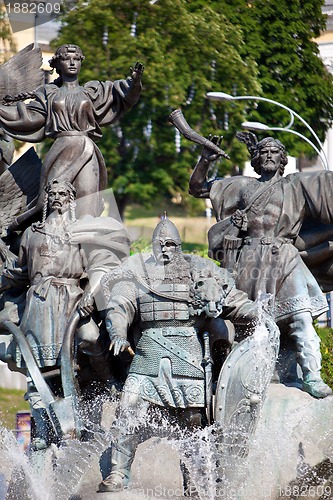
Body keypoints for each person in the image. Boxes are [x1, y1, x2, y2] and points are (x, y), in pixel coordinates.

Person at [97, 216, 276, 493]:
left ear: (179, 246)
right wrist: (118, 334)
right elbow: (119, 306)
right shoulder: (136, 274)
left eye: (170, 244)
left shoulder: (200, 273)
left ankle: (195, 480)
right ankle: (118, 473)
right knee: (127, 410)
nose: (164, 250)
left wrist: (259, 315)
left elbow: (234, 302)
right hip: (149, 353)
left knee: (193, 426)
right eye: (159, 244)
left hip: (189, 356)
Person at [189, 133, 333, 399]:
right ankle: (243, 380)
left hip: (285, 256)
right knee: (251, 324)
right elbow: (197, 188)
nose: (268, 155)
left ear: (282, 160)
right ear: (256, 159)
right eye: (263, 151)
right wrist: (205, 159)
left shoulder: (296, 185)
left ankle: (312, 375)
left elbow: (329, 189)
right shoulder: (242, 186)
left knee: (300, 317)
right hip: (249, 260)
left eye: (274, 152)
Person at [0, 178, 130, 448]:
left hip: (73, 299)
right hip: (39, 301)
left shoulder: (82, 231)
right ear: (47, 200)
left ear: (71, 199)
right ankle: (42, 427)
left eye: (63, 194)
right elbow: (23, 272)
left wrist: (89, 297)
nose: (58, 197)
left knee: (92, 337)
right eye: (53, 194)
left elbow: (99, 267)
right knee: (34, 362)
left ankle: (109, 379)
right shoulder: (32, 234)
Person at [0, 44, 143, 227]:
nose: (72, 62)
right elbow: (27, 117)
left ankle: (84, 250)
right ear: (57, 65)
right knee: (50, 203)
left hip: (86, 151)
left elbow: (123, 95)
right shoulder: (48, 94)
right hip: (60, 151)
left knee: (87, 204)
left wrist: (136, 82)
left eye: (76, 59)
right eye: (66, 59)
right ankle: (37, 239)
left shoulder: (93, 91)